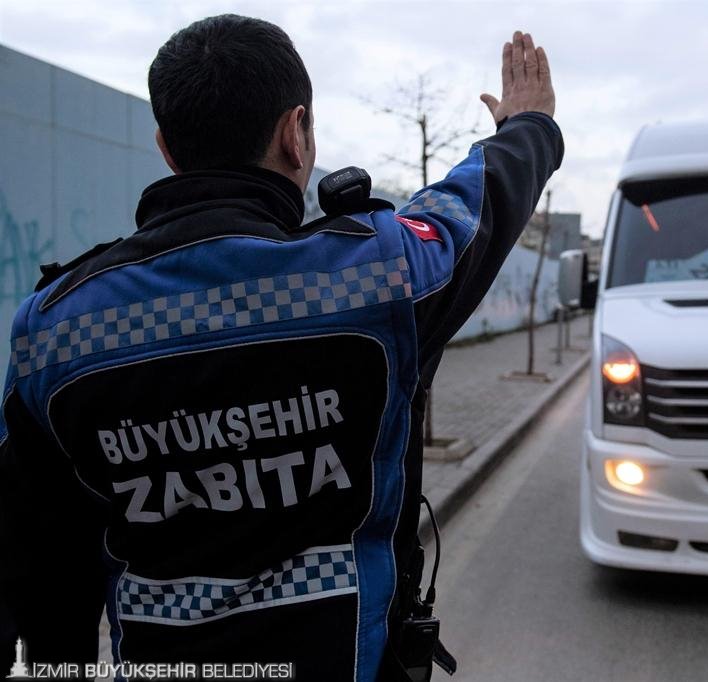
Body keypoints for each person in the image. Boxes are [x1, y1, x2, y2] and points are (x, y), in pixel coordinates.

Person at [0, 14, 561, 681]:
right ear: (295, 134)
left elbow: (39, 560)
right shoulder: (374, 278)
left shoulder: (54, 327)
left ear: (167, 147)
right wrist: (528, 128)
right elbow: (472, 210)